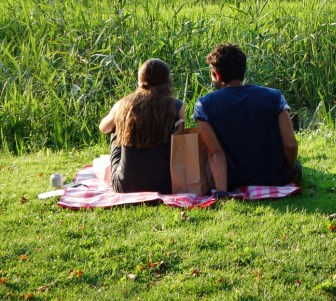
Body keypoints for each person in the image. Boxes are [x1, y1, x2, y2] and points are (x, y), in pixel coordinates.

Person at [194, 43, 300, 196]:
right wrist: (291, 169)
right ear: (242, 70)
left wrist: (222, 192)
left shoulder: (204, 105)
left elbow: (215, 153)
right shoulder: (274, 97)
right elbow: (290, 144)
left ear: (216, 75)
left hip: (233, 182)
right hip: (275, 178)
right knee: (298, 165)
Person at [99, 58, 185, 194]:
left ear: (140, 80)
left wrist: (121, 118)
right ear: (167, 80)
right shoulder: (176, 106)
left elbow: (104, 128)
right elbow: (181, 146)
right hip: (165, 184)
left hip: (126, 185)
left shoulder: (124, 104)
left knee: (116, 127)